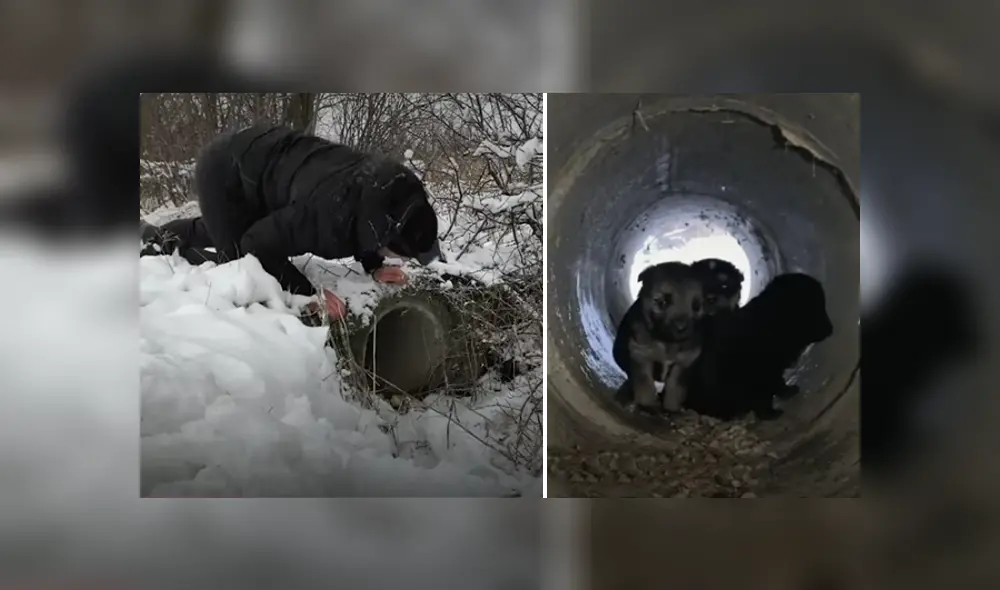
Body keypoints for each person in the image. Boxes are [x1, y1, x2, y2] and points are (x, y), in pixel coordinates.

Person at [193, 123, 442, 311]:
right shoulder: (325, 218)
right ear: (385, 241)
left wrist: (374, 265)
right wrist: (308, 294)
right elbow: (255, 243)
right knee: (238, 268)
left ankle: (170, 235)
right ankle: (164, 246)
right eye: (402, 256)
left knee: (233, 228)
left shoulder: (391, 189)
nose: (403, 261)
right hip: (225, 167)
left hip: (266, 157)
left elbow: (365, 215)